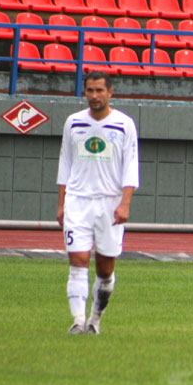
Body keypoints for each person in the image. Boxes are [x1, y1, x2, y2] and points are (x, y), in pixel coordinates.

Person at [56, 71, 139, 335]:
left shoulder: (124, 124)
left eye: (99, 91)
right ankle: (78, 322)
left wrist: (124, 204)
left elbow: (131, 167)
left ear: (110, 92)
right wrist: (61, 203)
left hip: (110, 204)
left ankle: (95, 319)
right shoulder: (73, 122)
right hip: (77, 201)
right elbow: (65, 163)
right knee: (78, 260)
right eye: (90, 91)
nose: (94, 96)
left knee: (105, 269)